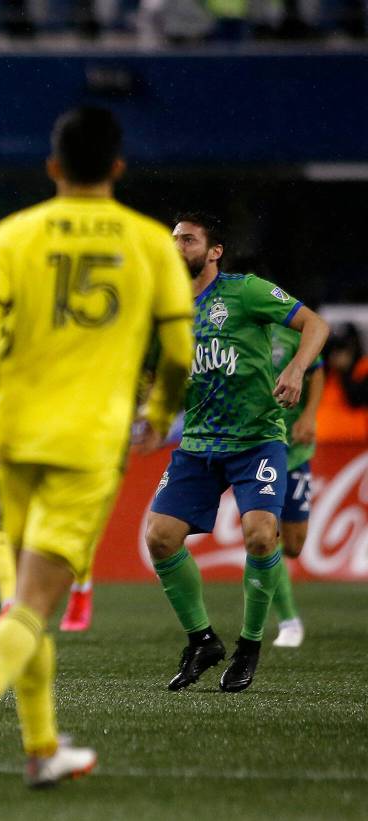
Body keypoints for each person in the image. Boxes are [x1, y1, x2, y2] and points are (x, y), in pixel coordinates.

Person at [0, 107, 195, 795]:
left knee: (23, 598)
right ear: (118, 168)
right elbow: (178, 350)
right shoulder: (148, 242)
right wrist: (162, 413)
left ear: (52, 167)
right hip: (87, 441)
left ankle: (42, 748)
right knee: (34, 604)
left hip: (16, 433)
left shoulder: (15, 233)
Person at [142, 213, 329, 693]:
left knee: (262, 536)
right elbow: (155, 374)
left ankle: (249, 646)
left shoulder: (244, 291)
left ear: (214, 251)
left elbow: (315, 324)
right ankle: (202, 640)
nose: (177, 247)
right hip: (198, 444)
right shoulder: (165, 308)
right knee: (160, 537)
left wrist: (296, 369)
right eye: (173, 240)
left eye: (188, 240)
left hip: (255, 441)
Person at [269, 323, 324, 648]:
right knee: (263, 535)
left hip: (293, 449)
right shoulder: (238, 326)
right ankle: (288, 620)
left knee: (293, 545)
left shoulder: (290, 331)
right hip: (256, 447)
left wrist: (309, 415)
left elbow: (316, 371)